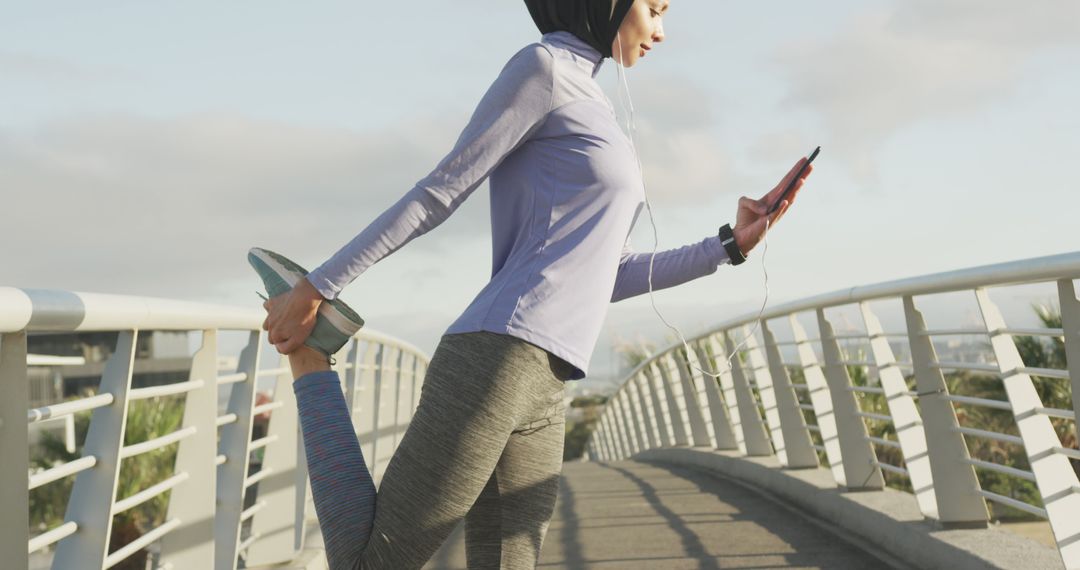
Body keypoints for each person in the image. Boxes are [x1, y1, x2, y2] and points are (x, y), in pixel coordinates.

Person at [250, 1, 812, 568]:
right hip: (497, 357)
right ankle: (312, 361)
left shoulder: (594, 102)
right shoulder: (542, 70)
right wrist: (320, 285)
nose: (661, 32)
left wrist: (729, 246)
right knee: (369, 563)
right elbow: (440, 191)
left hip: (550, 380)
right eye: (655, 8)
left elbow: (604, 274)